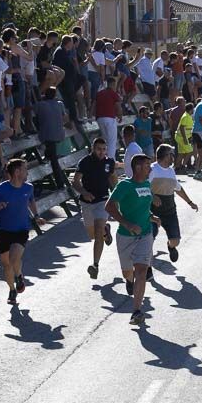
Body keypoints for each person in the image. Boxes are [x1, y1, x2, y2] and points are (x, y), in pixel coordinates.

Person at [107, 154, 160, 325]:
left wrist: (151, 217)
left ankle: (136, 310)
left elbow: (143, 207)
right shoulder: (125, 185)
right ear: (137, 167)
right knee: (127, 272)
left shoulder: (146, 184)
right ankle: (129, 281)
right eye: (147, 166)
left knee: (142, 271)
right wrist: (127, 224)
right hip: (125, 236)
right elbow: (109, 206)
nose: (150, 169)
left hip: (145, 234)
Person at [0, 157, 37, 305]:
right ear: (17, 172)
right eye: (25, 169)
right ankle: (12, 289)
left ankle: (18, 275)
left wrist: (36, 216)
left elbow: (31, 201)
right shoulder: (0, 190)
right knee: (6, 264)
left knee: (14, 258)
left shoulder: (28, 188)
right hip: (4, 231)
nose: (27, 172)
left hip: (21, 230)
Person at [74, 137, 117, 280]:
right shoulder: (85, 162)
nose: (101, 152)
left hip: (103, 200)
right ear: (93, 148)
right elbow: (75, 182)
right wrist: (84, 193)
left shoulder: (109, 162)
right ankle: (106, 231)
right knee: (93, 235)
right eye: (99, 149)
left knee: (98, 233)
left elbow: (112, 179)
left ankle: (95, 265)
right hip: (87, 202)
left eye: (104, 149)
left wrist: (117, 195)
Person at [149, 144, 199, 265]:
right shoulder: (152, 169)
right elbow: (143, 187)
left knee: (175, 240)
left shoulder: (171, 171)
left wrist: (190, 202)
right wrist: (152, 196)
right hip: (153, 211)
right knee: (150, 237)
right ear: (166, 156)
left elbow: (177, 188)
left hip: (169, 211)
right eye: (172, 154)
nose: (174, 156)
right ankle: (147, 264)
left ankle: (171, 247)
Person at [94, 75, 122, 158]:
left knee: (105, 141)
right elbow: (118, 106)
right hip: (109, 118)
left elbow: (94, 104)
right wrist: (120, 115)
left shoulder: (99, 93)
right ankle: (110, 162)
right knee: (112, 142)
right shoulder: (113, 93)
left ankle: (103, 159)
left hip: (99, 118)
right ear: (113, 84)